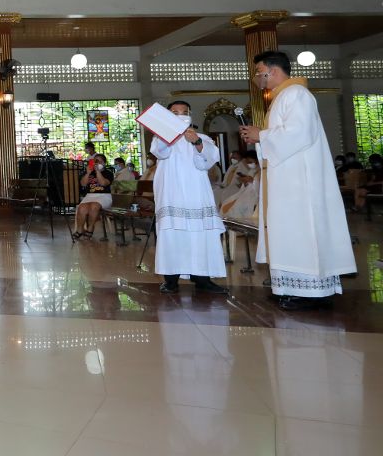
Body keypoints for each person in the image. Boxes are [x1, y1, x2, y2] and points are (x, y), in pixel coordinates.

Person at [239, 51, 357, 310]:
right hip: (286, 179)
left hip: (299, 183)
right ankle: (289, 287)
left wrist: (263, 135)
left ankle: (310, 293)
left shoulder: (297, 95)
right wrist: (260, 138)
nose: (258, 77)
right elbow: (281, 137)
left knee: (302, 233)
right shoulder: (282, 97)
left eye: (259, 71)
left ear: (272, 70)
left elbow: (299, 134)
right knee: (287, 234)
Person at [151, 100, 228, 295]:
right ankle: (170, 279)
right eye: (175, 112)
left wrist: (197, 143)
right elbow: (160, 153)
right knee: (172, 234)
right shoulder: (160, 137)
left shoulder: (201, 137)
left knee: (199, 234)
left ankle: (202, 278)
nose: (180, 115)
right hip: (171, 193)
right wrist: (168, 134)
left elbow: (207, 162)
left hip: (196, 193)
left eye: (184, 112)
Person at [74, 154, 113, 238]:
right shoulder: (89, 172)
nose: (97, 163)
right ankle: (80, 230)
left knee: (94, 206)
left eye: (99, 161)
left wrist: (98, 171)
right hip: (90, 195)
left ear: (104, 163)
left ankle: (90, 228)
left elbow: (103, 183)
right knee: (82, 207)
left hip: (104, 196)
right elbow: (83, 183)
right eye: (95, 161)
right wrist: (88, 173)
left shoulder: (108, 173)